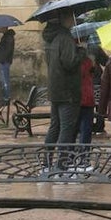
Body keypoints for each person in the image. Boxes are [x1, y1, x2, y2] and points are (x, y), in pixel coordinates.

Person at [43, 14, 86, 150]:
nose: (74, 21)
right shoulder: (65, 37)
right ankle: (61, 165)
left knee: (55, 127)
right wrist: (81, 51)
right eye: (72, 18)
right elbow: (70, 63)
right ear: (64, 19)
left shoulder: (51, 38)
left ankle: (47, 162)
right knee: (66, 129)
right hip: (68, 91)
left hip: (55, 89)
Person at [76, 51, 97, 144]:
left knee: (72, 131)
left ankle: (70, 155)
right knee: (86, 130)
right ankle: (84, 155)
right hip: (87, 99)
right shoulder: (88, 62)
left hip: (76, 99)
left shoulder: (69, 61)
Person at [0, 26, 15, 102]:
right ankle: (5, 97)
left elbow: (7, 50)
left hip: (4, 61)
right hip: (3, 61)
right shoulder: (6, 37)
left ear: (4, 28)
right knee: (3, 80)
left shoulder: (8, 37)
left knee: (5, 81)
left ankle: (6, 98)